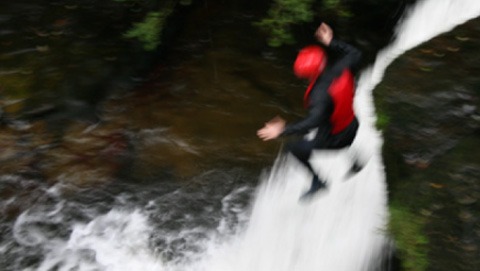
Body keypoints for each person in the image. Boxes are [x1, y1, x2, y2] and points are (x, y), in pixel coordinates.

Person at [257, 22, 364, 200]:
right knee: (320, 128)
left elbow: (313, 121)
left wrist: (283, 130)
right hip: (352, 125)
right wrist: (331, 41)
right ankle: (355, 160)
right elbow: (356, 53)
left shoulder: (319, 95)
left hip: (338, 139)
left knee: (292, 148)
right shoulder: (342, 66)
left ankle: (318, 181)